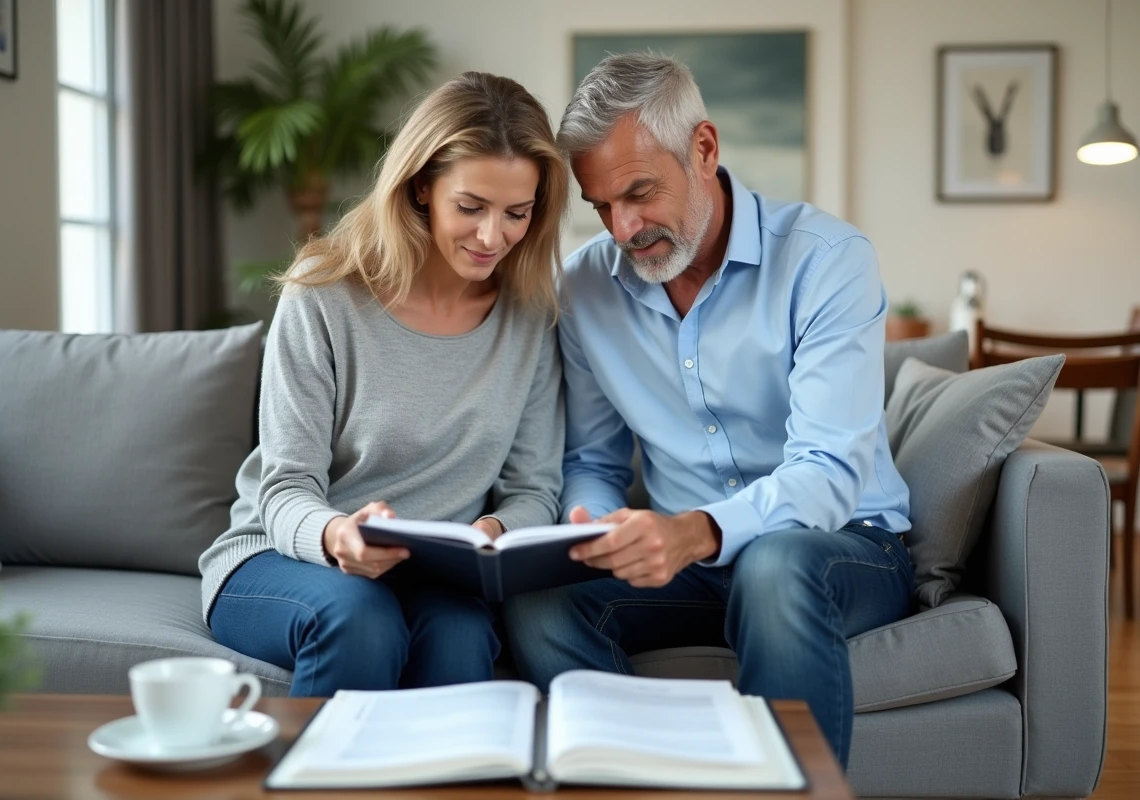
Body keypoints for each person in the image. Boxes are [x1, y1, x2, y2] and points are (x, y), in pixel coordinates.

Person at [503, 54, 914, 768]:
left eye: (639, 193)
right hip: (689, 571)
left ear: (704, 148)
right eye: (601, 206)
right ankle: (646, 777)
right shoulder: (585, 286)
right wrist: (593, 523)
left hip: (840, 546)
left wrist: (696, 532)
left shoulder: (826, 259)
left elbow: (827, 471)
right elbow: (593, 460)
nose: (624, 228)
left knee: (775, 566)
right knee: (539, 607)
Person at [199, 72, 568, 695]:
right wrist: (337, 534)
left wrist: (496, 534)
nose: (491, 237)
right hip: (288, 554)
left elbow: (535, 490)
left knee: (462, 636)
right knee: (360, 618)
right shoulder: (323, 294)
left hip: (433, 578)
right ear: (422, 186)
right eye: (470, 207)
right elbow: (285, 487)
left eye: (517, 214)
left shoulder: (530, 316)